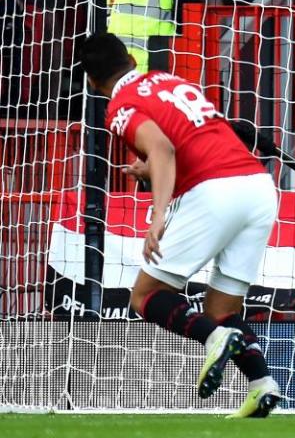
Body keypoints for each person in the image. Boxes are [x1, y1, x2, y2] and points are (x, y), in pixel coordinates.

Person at [77, 32, 282, 418]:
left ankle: (214, 338)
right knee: (222, 307)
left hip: (214, 191)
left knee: (144, 296)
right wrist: (149, 170)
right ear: (132, 60)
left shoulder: (119, 107)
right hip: (257, 187)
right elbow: (185, 142)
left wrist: (157, 216)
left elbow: (163, 148)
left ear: (91, 81)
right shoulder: (169, 80)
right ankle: (261, 384)